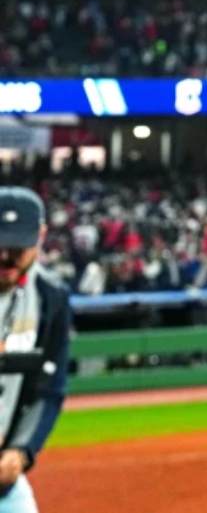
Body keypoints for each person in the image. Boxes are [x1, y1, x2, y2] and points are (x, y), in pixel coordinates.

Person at [0, 188, 72, 513]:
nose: (5, 257)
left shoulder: (50, 299)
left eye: (17, 246)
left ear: (41, 236)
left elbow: (48, 387)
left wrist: (22, 450)